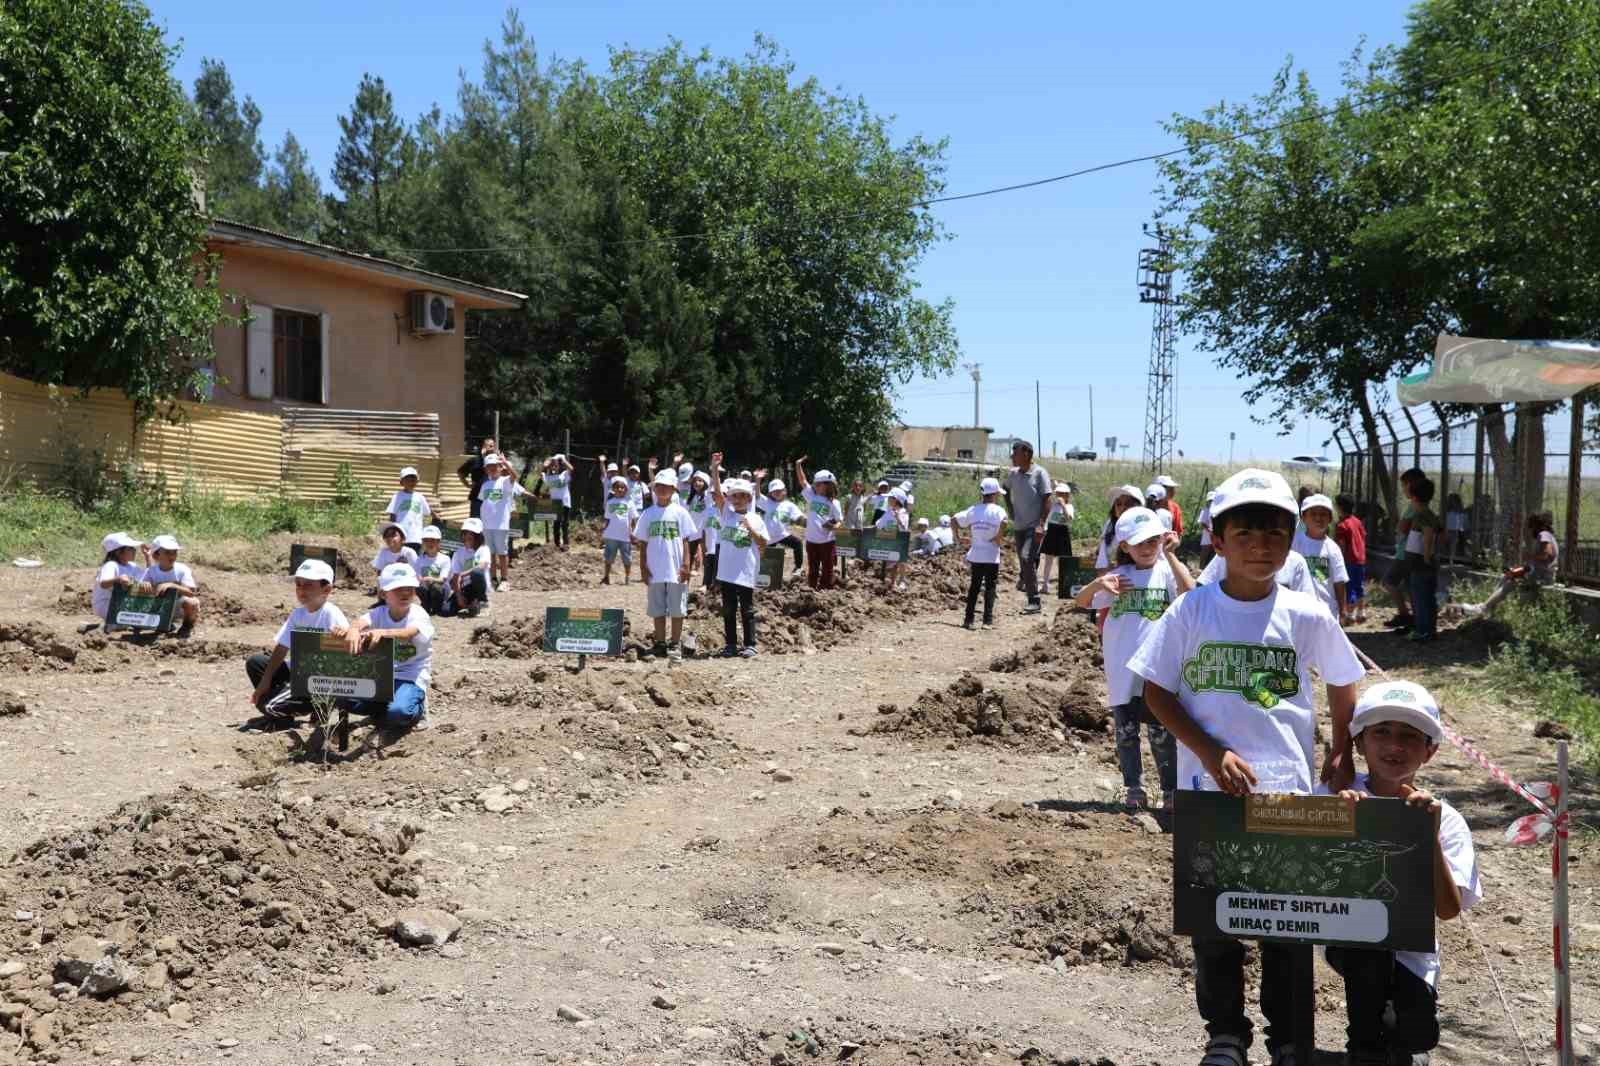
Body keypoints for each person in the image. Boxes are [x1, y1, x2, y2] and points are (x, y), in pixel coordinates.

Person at [1128, 467, 1364, 1066]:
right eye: (1247, 533)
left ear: (1290, 542)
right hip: (1207, 793)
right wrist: (1208, 751)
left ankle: (1289, 1041)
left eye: (1275, 534)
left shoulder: (1305, 613)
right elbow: (1157, 692)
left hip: (1286, 793)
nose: (1261, 546)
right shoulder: (1190, 611)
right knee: (1215, 924)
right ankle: (1226, 1035)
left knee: (1287, 925)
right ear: (1218, 539)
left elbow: (1343, 678)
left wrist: (1341, 747)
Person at [1322, 681, 1479, 1066]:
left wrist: (1428, 837)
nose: (1395, 747)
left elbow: (1446, 910)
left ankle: (1396, 1046)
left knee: (1415, 1033)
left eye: (1410, 737)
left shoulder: (1445, 819)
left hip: (1412, 951)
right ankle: (1362, 1048)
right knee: (1368, 968)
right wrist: (1339, 821)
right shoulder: (1334, 797)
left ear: (1430, 751)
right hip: (1351, 940)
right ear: (1359, 742)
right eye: (1382, 733)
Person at [1074, 507, 1193, 809]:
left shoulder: (1166, 571)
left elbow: (1191, 591)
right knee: (1126, 731)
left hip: (1158, 669)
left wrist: (1171, 556)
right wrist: (1099, 584)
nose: (1147, 548)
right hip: (1122, 668)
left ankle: (1170, 791)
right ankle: (1134, 789)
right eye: (1139, 543)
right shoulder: (1119, 577)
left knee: (1162, 732)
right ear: (1125, 546)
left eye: (1153, 540)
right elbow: (1081, 601)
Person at [246, 558, 350, 720]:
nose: (301, 590)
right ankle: (285, 711)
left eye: (308, 585)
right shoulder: (298, 614)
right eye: (298, 584)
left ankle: (315, 706)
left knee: (268, 706)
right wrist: (265, 680)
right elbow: (282, 647)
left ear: (327, 589)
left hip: (319, 680)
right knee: (256, 662)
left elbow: (344, 655)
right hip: (299, 671)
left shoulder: (331, 614)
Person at [338, 562, 434, 732]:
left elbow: (408, 633)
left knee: (399, 713)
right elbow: (360, 621)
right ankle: (383, 709)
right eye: (398, 589)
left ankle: (418, 708)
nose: (405, 593)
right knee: (342, 697)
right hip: (382, 677)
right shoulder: (379, 613)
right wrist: (353, 629)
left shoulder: (419, 614)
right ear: (383, 594)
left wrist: (383, 632)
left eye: (409, 588)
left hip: (410, 677)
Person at [709, 455, 769, 657]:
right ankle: (731, 645)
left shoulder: (756, 519)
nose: (738, 499)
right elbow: (717, 493)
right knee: (728, 609)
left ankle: (750, 644)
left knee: (747, 609)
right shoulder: (726, 514)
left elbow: (763, 544)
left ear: (749, 498)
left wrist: (750, 529)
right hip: (726, 572)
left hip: (745, 572)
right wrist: (715, 469)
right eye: (734, 496)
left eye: (742, 496)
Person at [634, 469, 697, 661]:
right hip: (655, 569)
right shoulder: (648, 514)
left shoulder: (680, 512)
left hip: (676, 568)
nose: (662, 490)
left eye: (666, 487)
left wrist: (686, 564)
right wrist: (643, 567)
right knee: (657, 607)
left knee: (677, 608)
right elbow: (643, 543)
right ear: (654, 489)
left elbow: (686, 541)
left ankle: (675, 643)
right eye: (659, 486)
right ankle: (660, 643)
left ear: (673, 489)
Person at [1462, 511, 1559, 617]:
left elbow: (1547, 554)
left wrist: (1530, 556)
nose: (1531, 530)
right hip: (1541, 574)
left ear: (1536, 525)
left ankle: (1484, 609)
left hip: (1542, 576)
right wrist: (1526, 567)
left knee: (1511, 581)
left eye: (1531, 526)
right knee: (1508, 575)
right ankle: (1488, 608)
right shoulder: (1549, 536)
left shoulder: (1543, 534)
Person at [1003, 440, 1052, 615]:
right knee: (1025, 561)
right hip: (1019, 526)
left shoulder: (1040, 474)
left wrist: (1041, 524)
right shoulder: (1013, 474)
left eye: (1015, 453)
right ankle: (1026, 577)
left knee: (1026, 558)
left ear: (1027, 454)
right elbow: (1005, 489)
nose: (1012, 457)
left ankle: (1034, 601)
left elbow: (1047, 499)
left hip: (1034, 526)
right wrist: (1010, 508)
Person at [954, 478, 1008, 630]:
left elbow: (954, 520)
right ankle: (987, 621)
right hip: (991, 554)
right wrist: (998, 537)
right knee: (990, 587)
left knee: (974, 586)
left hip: (976, 554)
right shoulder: (998, 510)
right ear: (995, 494)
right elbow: (1004, 522)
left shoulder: (973, 510)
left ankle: (968, 619)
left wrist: (957, 537)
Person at [1291, 493, 1349, 622]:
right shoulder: (1294, 543)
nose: (1318, 518)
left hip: (1326, 612)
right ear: (1304, 518)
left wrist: (1342, 609)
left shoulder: (1333, 549)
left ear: (1329, 519)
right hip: (1298, 611)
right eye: (1313, 514)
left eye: (1323, 514)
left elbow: (1339, 582)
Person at [477, 453, 528, 593]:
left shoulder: (505, 481)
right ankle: (493, 579)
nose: (492, 469)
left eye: (495, 466)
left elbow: (514, 477)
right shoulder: (485, 485)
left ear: (500, 468)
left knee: (502, 553)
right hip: (487, 525)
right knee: (490, 554)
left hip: (500, 525)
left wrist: (505, 462)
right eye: (489, 467)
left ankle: (505, 580)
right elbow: (484, 503)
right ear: (485, 469)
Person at [1382, 468, 1426, 630]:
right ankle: (1414, 619)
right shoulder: (1417, 505)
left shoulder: (1416, 506)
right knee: (1409, 586)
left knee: (1389, 581)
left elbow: (1404, 527)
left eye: (1404, 485)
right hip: (1409, 553)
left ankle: (1406, 615)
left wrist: (1400, 528)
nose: (1403, 489)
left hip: (1407, 554)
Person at [794, 457, 844, 590]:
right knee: (813, 567)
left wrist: (834, 527)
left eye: (818, 484)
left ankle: (825, 590)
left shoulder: (834, 503)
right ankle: (810, 589)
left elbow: (839, 520)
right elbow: (803, 481)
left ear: (827, 485)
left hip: (827, 541)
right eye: (815, 484)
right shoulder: (812, 496)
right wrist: (798, 465)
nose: (815, 486)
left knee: (828, 568)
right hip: (811, 540)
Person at [139, 534, 200, 637]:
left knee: (192, 602)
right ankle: (164, 625)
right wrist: (145, 584)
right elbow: (140, 589)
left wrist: (172, 585)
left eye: (174, 552)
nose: (172, 556)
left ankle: (187, 626)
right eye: (167, 552)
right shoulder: (151, 571)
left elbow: (191, 592)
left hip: (177, 607)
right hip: (158, 607)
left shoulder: (182, 569)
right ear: (157, 555)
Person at [1404, 476, 1441, 643]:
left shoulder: (1423, 516)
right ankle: (1427, 629)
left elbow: (1428, 535)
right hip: (1419, 563)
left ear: (1414, 497)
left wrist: (1426, 556)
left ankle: (1423, 631)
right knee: (1425, 597)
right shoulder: (1427, 514)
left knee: (1421, 598)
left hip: (1421, 563)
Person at [755, 472, 805, 571]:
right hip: (768, 536)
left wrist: (808, 521)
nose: (777, 493)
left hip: (782, 535)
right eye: (774, 491)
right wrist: (758, 480)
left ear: (784, 491)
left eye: (779, 490)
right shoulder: (767, 502)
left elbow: (799, 518)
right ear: (770, 493)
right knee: (764, 556)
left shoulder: (789, 505)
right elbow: (757, 495)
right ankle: (760, 572)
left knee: (798, 543)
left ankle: (798, 567)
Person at [93, 532, 146, 623]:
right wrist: (117, 579)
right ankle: (114, 624)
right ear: (118, 552)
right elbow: (103, 583)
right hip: (107, 605)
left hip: (122, 604)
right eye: (130, 548)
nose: (134, 550)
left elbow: (146, 578)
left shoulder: (132, 566)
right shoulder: (111, 565)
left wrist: (148, 557)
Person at [442, 518, 491, 617]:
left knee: (476, 573)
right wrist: (459, 596)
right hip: (465, 588)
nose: (467, 536)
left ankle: (483, 603)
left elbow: (482, 565)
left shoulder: (483, 549)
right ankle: (470, 605)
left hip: (478, 587)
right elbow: (455, 576)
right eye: (465, 533)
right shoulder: (458, 553)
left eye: (471, 534)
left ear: (478, 536)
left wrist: (463, 574)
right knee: (446, 610)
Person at [598, 474, 640, 586]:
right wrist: (603, 528)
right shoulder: (610, 503)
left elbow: (634, 519)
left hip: (625, 535)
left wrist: (635, 533)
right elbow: (607, 518)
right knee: (608, 557)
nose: (620, 489)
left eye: (622, 487)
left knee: (627, 558)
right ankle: (606, 577)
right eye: (617, 487)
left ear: (626, 489)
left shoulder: (629, 502)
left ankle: (627, 577)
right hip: (611, 535)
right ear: (613, 489)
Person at [1334, 493, 1369, 625]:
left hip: (1348, 560)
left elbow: (1341, 545)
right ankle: (1362, 612)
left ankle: (1350, 614)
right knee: (1359, 585)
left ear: (1339, 507)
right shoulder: (1357, 522)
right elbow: (1363, 537)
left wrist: (1338, 560)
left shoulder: (1341, 525)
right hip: (1360, 559)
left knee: (1349, 587)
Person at [1037, 481, 1075, 595]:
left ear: (1067, 495)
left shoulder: (1069, 506)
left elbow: (1069, 519)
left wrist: (1063, 505)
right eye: (1058, 493)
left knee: (1063, 560)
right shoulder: (1053, 505)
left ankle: (1065, 586)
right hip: (1052, 531)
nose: (1059, 496)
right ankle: (1045, 585)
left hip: (1062, 532)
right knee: (1048, 559)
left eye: (1062, 493)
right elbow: (1046, 515)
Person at [385, 466, 432, 553]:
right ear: (401, 482)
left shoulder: (420, 497)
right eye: (407, 480)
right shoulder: (397, 496)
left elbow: (427, 514)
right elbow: (393, 516)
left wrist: (425, 533)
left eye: (413, 479)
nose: (411, 482)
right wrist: (392, 534)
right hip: (401, 536)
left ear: (417, 482)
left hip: (416, 537)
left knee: (413, 560)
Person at [875, 486, 913, 592]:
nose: (888, 500)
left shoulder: (904, 513)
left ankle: (900, 581)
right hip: (889, 543)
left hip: (899, 544)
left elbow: (903, 529)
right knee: (890, 564)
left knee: (899, 563)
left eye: (890, 498)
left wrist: (897, 518)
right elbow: (878, 525)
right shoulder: (888, 512)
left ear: (896, 500)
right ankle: (891, 583)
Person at [372, 522, 418, 602]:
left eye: (393, 535)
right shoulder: (383, 552)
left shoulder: (409, 552)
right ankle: (382, 600)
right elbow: (379, 571)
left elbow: (416, 570)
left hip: (405, 581)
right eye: (387, 536)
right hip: (390, 581)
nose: (390, 538)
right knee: (380, 578)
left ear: (403, 539)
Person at [411, 526, 452, 615]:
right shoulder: (419, 559)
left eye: (433, 540)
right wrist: (423, 580)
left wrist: (430, 579)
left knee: (436, 587)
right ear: (423, 542)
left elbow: (443, 579)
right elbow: (417, 578)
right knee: (420, 587)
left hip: (440, 588)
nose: (430, 543)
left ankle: (437, 606)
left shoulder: (445, 559)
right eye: (426, 540)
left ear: (438, 542)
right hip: (425, 587)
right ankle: (426, 605)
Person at [538, 454, 574, 551]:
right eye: (553, 465)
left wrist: (563, 460)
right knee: (556, 524)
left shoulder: (564, 475)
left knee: (564, 524)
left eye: (556, 465)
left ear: (559, 466)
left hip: (565, 503)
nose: (554, 466)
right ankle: (557, 544)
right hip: (555, 504)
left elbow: (571, 468)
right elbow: (540, 474)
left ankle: (566, 544)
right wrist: (544, 465)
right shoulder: (548, 478)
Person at [457, 438, 497, 520]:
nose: (491, 448)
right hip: (477, 497)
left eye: (492, 446)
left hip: (493, 496)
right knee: (475, 522)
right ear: (483, 447)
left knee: (491, 521)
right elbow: (461, 472)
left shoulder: (497, 461)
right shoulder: (475, 460)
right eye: (489, 446)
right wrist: (467, 484)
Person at [1442, 492, 1467, 563]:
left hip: (1455, 531)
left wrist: (1461, 529)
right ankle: (1446, 558)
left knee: (1452, 546)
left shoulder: (1459, 512)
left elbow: (1461, 521)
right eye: (1451, 500)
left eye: (1454, 501)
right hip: (1446, 530)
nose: (1453, 503)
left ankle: (1451, 559)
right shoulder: (1446, 511)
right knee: (1446, 545)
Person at [1197, 489, 1218, 570]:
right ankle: (1200, 569)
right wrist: (1209, 530)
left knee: (1214, 553)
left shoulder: (1217, 510)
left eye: (1212, 500)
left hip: (1215, 533)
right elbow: (1202, 522)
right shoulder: (1205, 510)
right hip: (1207, 534)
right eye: (1210, 500)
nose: (1211, 502)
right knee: (1204, 552)